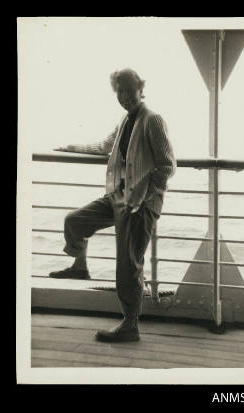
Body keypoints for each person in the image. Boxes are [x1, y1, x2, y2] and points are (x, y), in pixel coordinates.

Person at [50, 68, 177, 342]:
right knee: (75, 221)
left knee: (128, 265)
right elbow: (105, 146)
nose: (124, 96)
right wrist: (72, 147)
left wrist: (145, 195)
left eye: (129, 91)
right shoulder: (125, 120)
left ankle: (130, 325)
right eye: (119, 91)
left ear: (140, 89)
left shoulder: (152, 120)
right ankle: (80, 266)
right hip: (118, 197)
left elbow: (167, 165)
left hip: (141, 203)